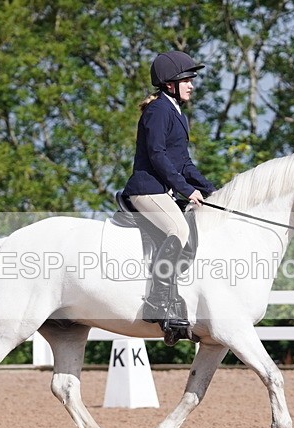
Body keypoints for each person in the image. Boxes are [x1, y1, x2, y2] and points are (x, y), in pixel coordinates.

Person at [122, 50, 217, 343]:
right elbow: (158, 156)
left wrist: (211, 190)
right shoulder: (158, 111)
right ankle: (157, 301)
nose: (192, 84)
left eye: (191, 80)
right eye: (186, 79)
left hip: (161, 190)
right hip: (146, 190)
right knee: (179, 229)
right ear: (169, 84)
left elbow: (184, 163)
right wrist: (186, 190)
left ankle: (176, 296)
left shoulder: (177, 113)